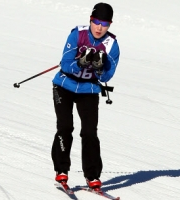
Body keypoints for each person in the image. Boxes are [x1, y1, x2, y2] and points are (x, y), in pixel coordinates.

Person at [51, 2, 120, 190]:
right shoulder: (78, 34)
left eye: (105, 23)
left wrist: (100, 68)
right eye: (96, 21)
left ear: (110, 24)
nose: (99, 27)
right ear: (91, 20)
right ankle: (61, 170)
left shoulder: (112, 45)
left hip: (88, 90)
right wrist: (80, 63)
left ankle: (92, 176)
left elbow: (107, 76)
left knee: (89, 132)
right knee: (65, 126)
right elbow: (65, 64)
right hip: (64, 86)